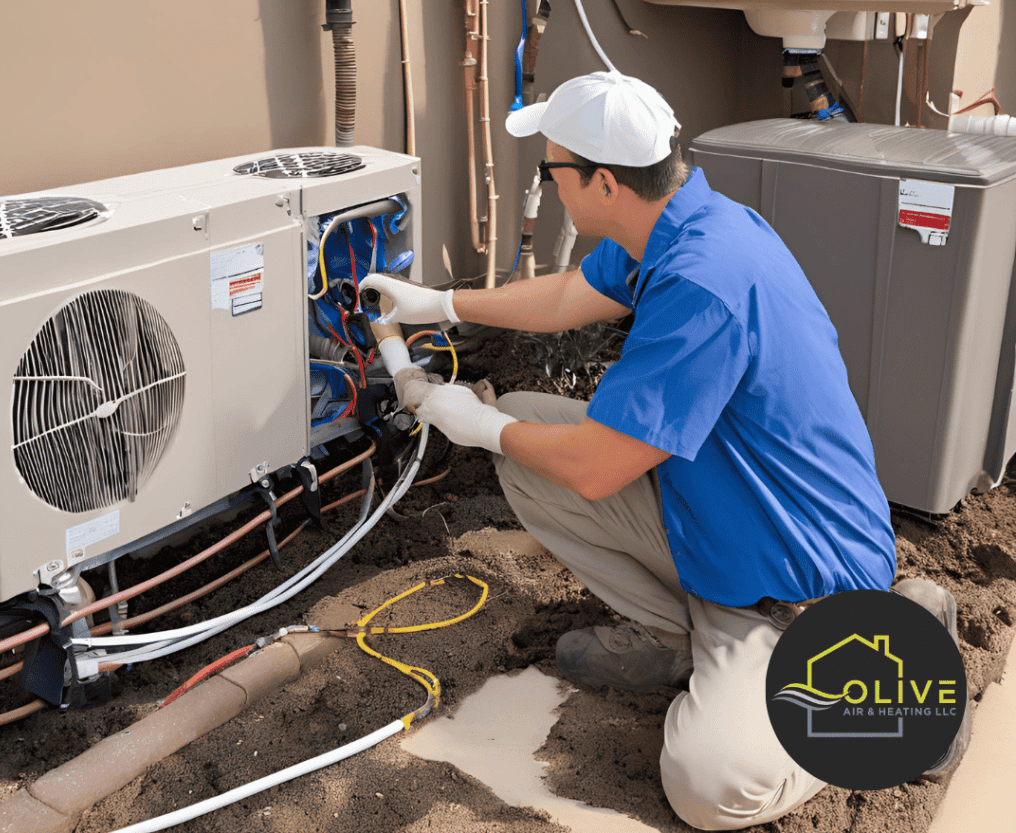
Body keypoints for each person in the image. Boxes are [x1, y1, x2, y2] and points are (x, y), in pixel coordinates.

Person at [358, 71, 969, 830]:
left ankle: (891, 688)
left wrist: (474, 425)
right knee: (528, 439)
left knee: (708, 787)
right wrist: (441, 304)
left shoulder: (703, 284)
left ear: (604, 183)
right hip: (721, 527)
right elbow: (564, 297)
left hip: (804, 587)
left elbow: (598, 465)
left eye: (553, 171)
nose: (548, 183)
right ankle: (690, 646)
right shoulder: (680, 222)